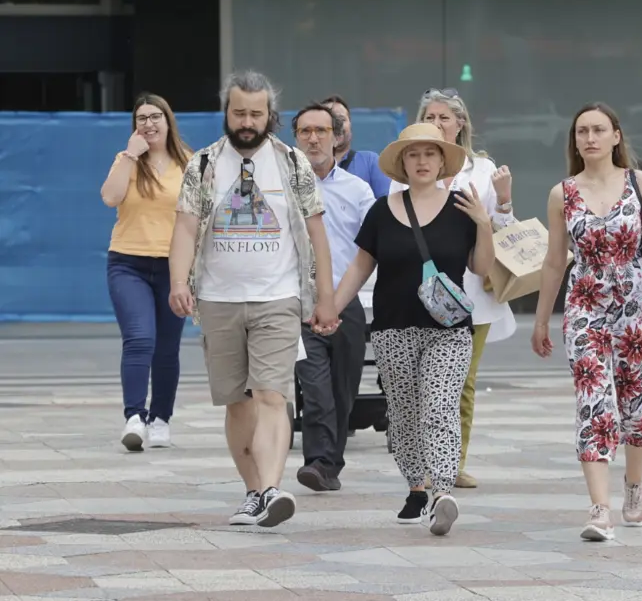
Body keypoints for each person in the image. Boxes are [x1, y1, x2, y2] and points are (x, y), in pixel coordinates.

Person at [169, 71, 339, 528]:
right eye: (239, 112)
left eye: (256, 113)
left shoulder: (292, 163)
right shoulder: (203, 164)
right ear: (226, 112)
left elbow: (317, 232)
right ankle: (253, 492)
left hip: (278, 298)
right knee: (236, 402)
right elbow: (185, 226)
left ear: (271, 116)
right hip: (218, 300)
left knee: (271, 394)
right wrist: (178, 282)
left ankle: (271, 489)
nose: (247, 121)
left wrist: (326, 297)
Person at [333, 123, 495, 537]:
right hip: (392, 328)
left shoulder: (462, 207)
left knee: (439, 406)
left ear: (443, 161)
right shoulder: (382, 211)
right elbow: (360, 267)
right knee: (404, 414)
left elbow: (481, 268)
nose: (422, 161)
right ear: (402, 163)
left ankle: (442, 491)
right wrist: (330, 308)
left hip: (450, 328)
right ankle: (416, 487)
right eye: (414, 154)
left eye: (430, 153)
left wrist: (484, 223)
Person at [532, 102, 642, 541]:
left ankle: (633, 487)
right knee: (594, 403)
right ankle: (599, 510)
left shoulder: (641, 182)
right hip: (585, 308)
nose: (590, 138)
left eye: (599, 130)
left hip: (638, 311)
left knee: (638, 409)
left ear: (616, 136)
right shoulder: (563, 193)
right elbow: (555, 260)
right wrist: (542, 319)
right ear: (574, 141)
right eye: (582, 132)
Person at [391, 87, 517, 489]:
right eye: (430, 116)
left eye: (445, 117)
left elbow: (504, 232)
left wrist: (505, 200)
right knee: (416, 386)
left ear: (461, 123)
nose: (438, 123)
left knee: (461, 383)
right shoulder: (408, 167)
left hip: (471, 295)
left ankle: (449, 465)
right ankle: (423, 463)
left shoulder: (481, 170)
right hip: (419, 293)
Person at [100, 94, 191, 451]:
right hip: (128, 262)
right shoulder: (127, 160)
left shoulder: (188, 163)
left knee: (166, 348)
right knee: (139, 338)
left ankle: (161, 418)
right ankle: (134, 417)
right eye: (141, 118)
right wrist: (129, 155)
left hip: (173, 266)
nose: (148, 124)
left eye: (155, 117)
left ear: (168, 121)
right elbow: (110, 197)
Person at [292, 103, 375, 492]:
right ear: (295, 138)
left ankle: (331, 463)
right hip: (299, 302)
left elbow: (372, 250)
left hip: (347, 300)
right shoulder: (284, 187)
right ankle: (318, 461)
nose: (313, 138)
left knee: (344, 388)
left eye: (321, 131)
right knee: (315, 385)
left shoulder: (358, 191)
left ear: (336, 136)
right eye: (305, 131)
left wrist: (341, 301)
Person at [322, 95, 392, 197]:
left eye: (341, 119)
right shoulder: (306, 166)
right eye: (329, 120)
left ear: (350, 124)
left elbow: (387, 205)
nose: (336, 125)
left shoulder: (370, 161)